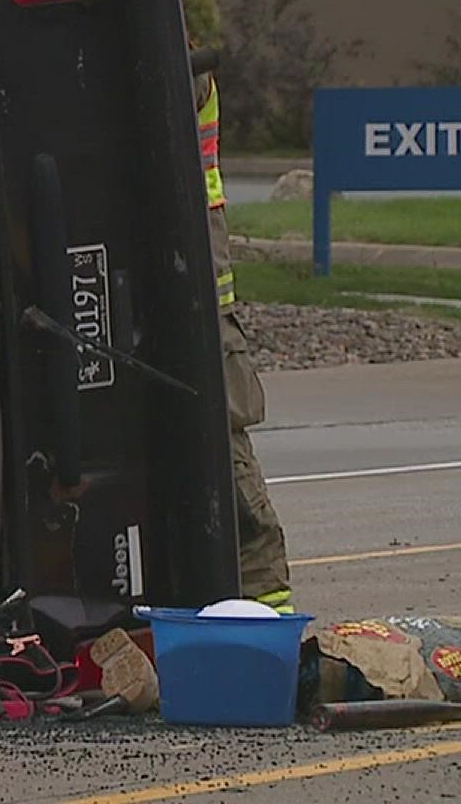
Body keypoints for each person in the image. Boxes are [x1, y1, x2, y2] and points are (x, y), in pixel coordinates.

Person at [193, 57, 294, 613]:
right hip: (189, 299)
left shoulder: (181, 72)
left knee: (227, 469)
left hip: (198, 308)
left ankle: (268, 615)